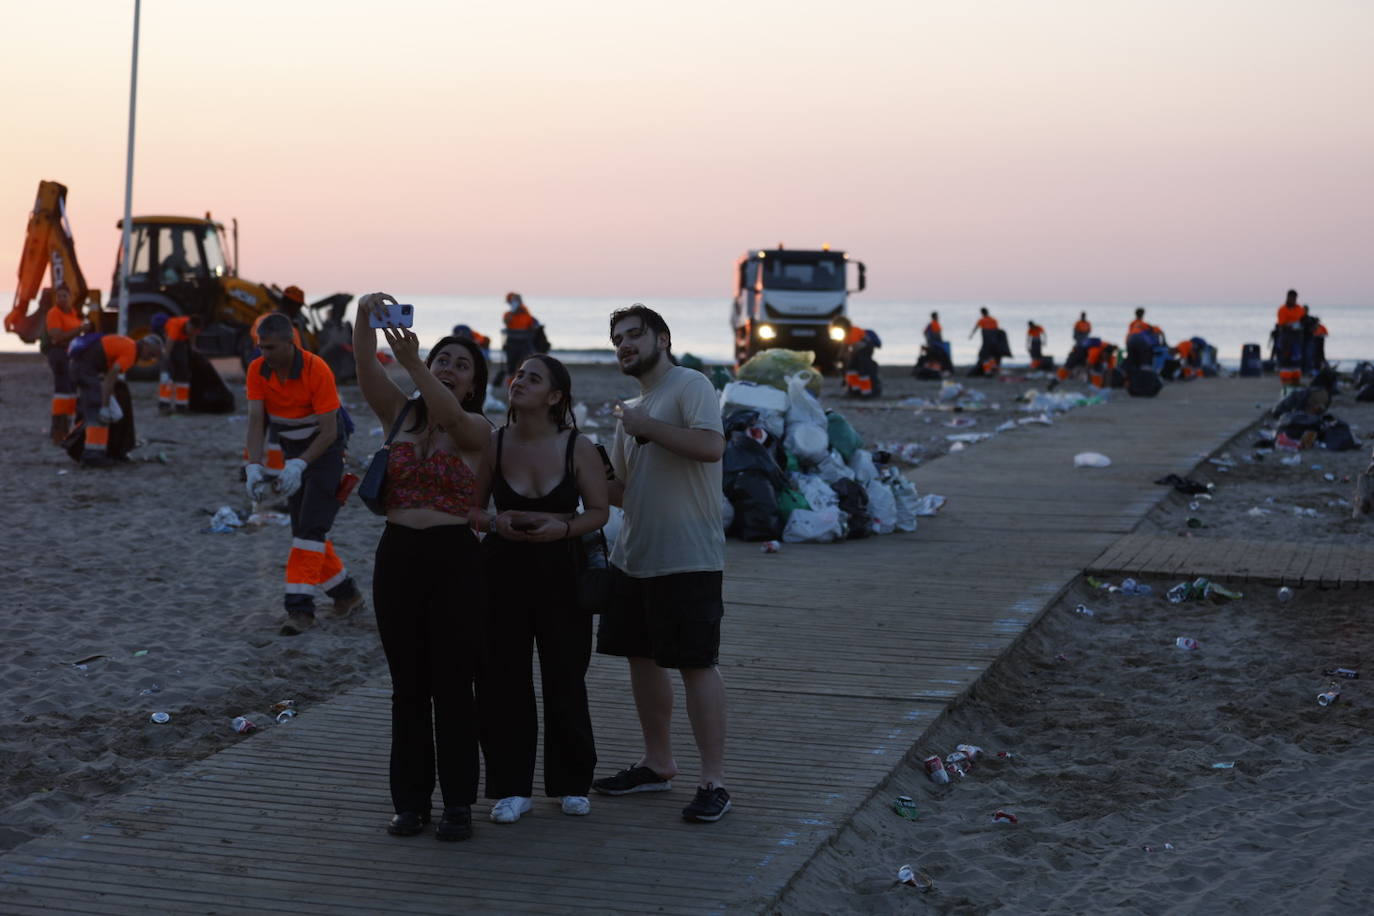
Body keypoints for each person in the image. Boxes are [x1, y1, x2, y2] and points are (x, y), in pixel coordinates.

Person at [353, 293, 493, 842]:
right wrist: (363, 314)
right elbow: (365, 366)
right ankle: (410, 804)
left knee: (454, 687)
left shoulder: (478, 426)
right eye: (442, 360)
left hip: (455, 560)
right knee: (407, 687)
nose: (449, 368)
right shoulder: (400, 414)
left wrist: (414, 366)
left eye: (461, 364)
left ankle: (457, 804)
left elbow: (453, 418)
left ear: (474, 383)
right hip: (399, 558)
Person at [592, 304, 731, 823]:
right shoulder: (634, 408)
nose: (624, 345)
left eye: (633, 335)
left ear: (662, 338)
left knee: (697, 662)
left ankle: (714, 780)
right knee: (640, 658)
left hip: (688, 554)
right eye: (616, 339)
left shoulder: (689, 384)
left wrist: (646, 424)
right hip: (634, 555)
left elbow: (712, 447)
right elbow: (627, 491)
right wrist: (581, 469)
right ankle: (657, 763)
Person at [472, 354, 608, 825]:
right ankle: (511, 787)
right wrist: (496, 521)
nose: (518, 381)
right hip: (501, 570)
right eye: (517, 375)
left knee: (565, 677)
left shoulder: (579, 446)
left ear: (555, 397)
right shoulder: (496, 442)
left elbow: (598, 511)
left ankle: (572, 783)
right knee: (503, 679)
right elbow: (472, 510)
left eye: (533, 378)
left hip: (562, 571)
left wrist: (561, 529)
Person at [243, 313, 364, 636]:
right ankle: (347, 595)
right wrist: (252, 465)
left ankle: (300, 610)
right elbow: (257, 421)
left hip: (325, 453)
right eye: (260, 346)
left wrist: (299, 465)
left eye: (269, 347)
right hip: (294, 452)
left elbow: (328, 432)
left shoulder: (316, 369)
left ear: (289, 343)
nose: (263, 354)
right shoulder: (257, 370)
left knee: (309, 530)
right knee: (305, 531)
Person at [70, 331, 162, 467]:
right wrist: (106, 405)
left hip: (82, 367)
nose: (150, 359)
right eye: (152, 354)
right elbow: (110, 378)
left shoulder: (128, 345)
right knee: (97, 410)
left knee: (95, 408)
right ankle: (93, 456)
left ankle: (93, 452)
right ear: (146, 345)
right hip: (84, 369)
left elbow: (109, 373)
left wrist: (110, 396)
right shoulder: (131, 352)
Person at [43, 288, 86, 445]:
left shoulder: (73, 312)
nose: (62, 299)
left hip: (71, 353)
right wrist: (80, 330)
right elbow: (57, 336)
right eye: (59, 296)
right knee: (62, 391)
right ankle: (58, 430)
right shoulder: (54, 313)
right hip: (59, 355)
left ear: (71, 297)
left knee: (72, 391)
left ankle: (68, 427)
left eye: (65, 296)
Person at [158, 314, 203, 413]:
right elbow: (168, 347)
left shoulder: (193, 328)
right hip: (169, 342)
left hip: (180, 343)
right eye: (192, 330)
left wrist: (193, 347)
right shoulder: (175, 327)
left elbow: (193, 335)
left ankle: (181, 405)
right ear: (189, 326)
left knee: (184, 373)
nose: (192, 333)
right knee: (168, 375)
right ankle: (164, 405)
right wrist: (166, 360)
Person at [1272, 290, 1305, 393]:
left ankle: (1296, 385)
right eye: (1292, 298)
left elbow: (1304, 320)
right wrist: (1291, 325)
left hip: (1297, 339)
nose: (1293, 300)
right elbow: (1281, 325)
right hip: (1286, 339)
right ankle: (1285, 387)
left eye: (1295, 298)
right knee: (1286, 363)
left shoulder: (1300, 309)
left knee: (1296, 363)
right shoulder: (1282, 310)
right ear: (1288, 297)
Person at [968, 307, 1004, 376]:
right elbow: (997, 330)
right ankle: (995, 369)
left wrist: (971, 335)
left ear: (982, 313)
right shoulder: (994, 320)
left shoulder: (982, 320)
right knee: (994, 356)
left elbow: (976, 328)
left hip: (986, 343)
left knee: (984, 356)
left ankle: (988, 370)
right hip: (995, 342)